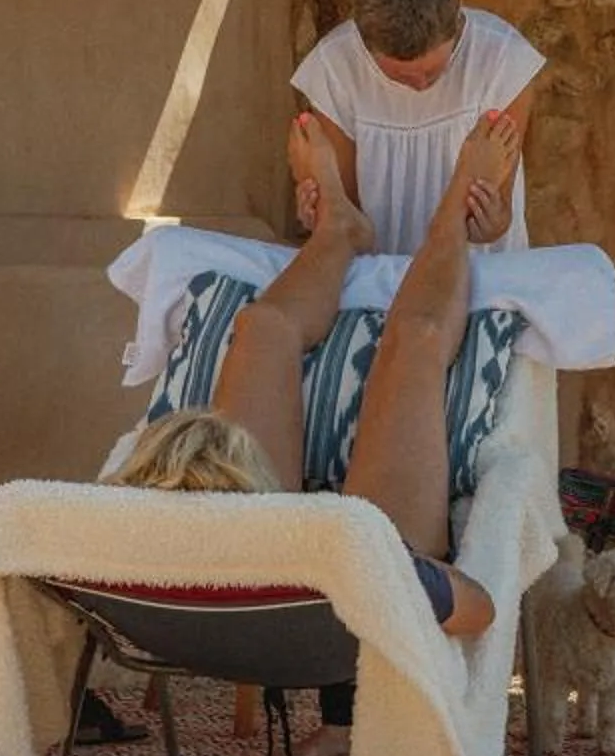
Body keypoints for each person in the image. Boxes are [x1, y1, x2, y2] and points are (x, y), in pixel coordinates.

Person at [108, 115, 514, 652]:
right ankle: (449, 228)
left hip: (232, 551)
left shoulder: (103, 551)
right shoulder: (372, 566)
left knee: (263, 328)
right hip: (357, 578)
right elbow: (478, 610)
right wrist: (423, 576)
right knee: (414, 341)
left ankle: (337, 232)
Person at [294, 0, 541, 252]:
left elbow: (500, 211)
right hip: (377, 270)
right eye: (401, 76)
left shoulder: (502, 59)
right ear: (366, 46)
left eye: (433, 71)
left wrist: (492, 222)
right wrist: (323, 213)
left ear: (456, 24)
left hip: (475, 268)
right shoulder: (336, 65)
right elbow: (346, 211)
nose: (422, 85)